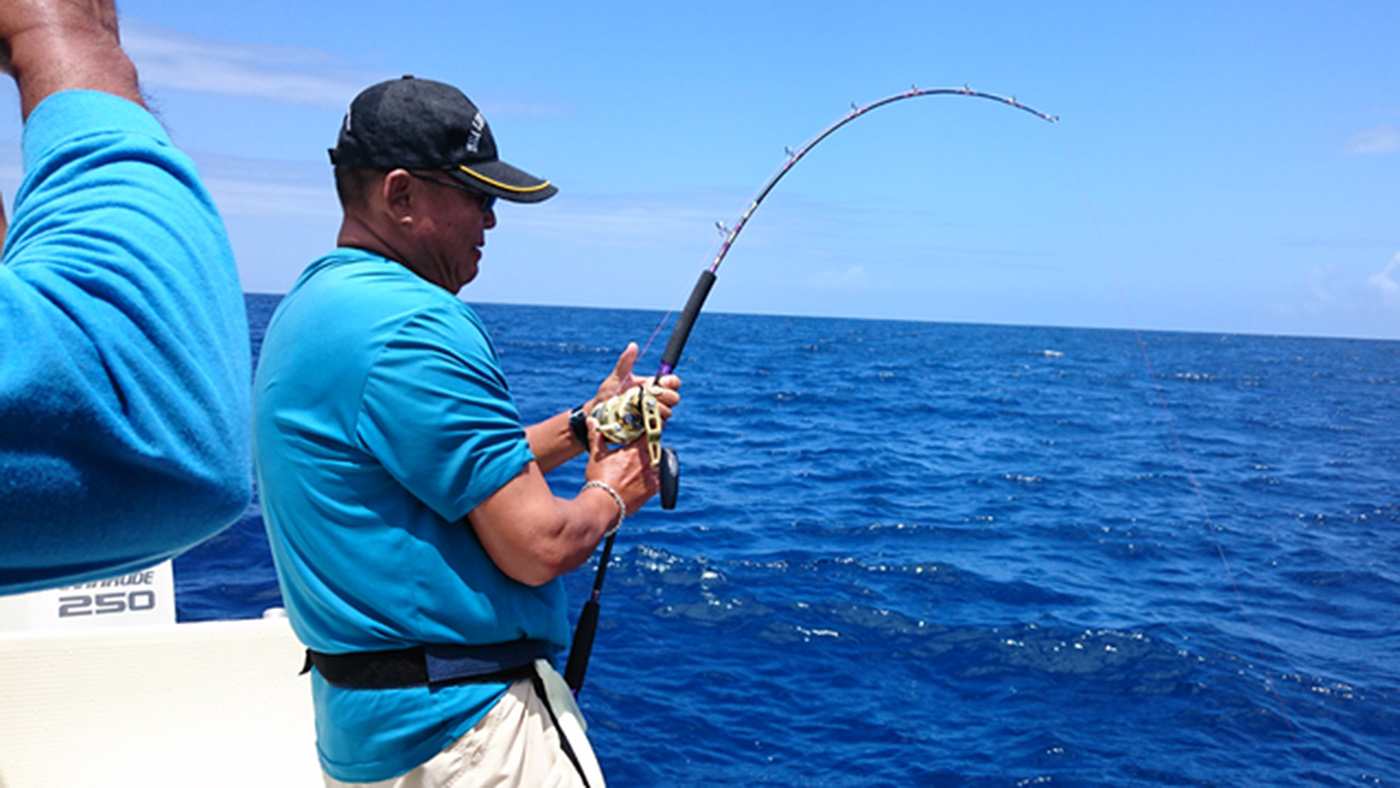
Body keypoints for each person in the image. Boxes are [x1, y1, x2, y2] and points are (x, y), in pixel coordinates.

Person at [254, 75, 681, 787]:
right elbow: (539, 544)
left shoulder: (316, 306)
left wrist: (585, 425)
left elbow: (446, 466)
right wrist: (613, 490)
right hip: (473, 735)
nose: (492, 221)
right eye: (479, 197)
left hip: (371, 733)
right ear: (400, 196)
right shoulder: (419, 322)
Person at [0, 0, 251, 595]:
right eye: (476, 199)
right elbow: (170, 443)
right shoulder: (406, 328)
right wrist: (66, 36)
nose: (489, 224)